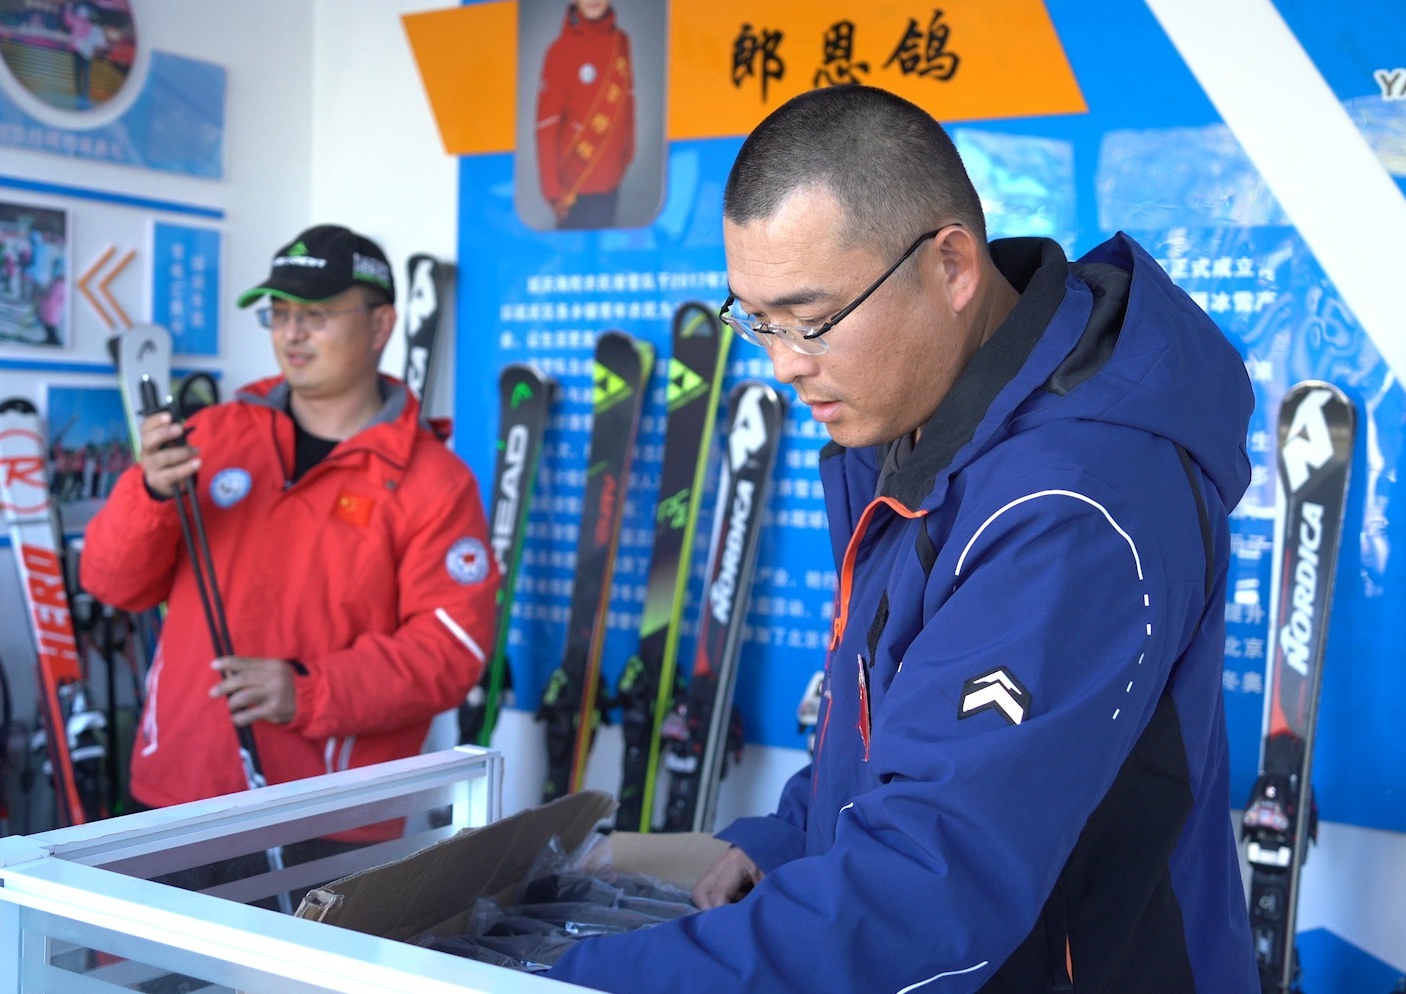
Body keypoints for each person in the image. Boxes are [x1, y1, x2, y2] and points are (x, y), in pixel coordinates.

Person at [545, 86, 1257, 992]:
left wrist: (566, 982)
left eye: (814, 319)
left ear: (952, 268)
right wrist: (786, 837)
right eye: (757, 320)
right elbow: (887, 727)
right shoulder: (911, 423)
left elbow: (929, 892)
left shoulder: (1074, 503)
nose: (785, 363)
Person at [81, 224, 497, 839]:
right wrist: (148, 496)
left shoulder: (434, 480)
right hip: (176, 788)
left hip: (325, 817)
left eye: (318, 313)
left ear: (381, 326)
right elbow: (114, 586)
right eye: (279, 313)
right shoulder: (213, 435)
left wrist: (309, 691)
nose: (292, 332)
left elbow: (450, 650)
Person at [534, 0, 635, 229]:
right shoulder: (559, 51)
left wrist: (628, 152)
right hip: (574, 185)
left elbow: (628, 99)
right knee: (575, 262)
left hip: (611, 182)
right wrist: (552, 192)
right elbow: (546, 126)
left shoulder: (621, 42)